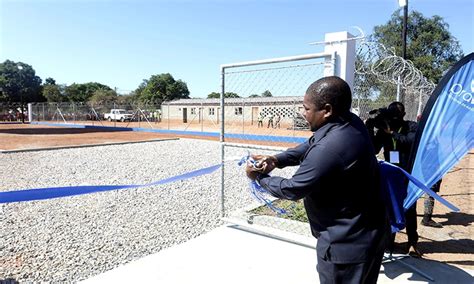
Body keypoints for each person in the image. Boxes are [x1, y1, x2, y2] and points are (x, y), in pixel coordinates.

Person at [246, 76, 389, 284]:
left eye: (306, 108)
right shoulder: (350, 122)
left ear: (327, 110)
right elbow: (310, 145)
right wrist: (277, 159)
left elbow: (293, 189)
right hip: (368, 234)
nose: (303, 114)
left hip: (346, 247)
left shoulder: (330, 148)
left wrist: (258, 177)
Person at [365, 101, 422, 257]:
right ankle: (389, 241)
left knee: (409, 208)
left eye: (396, 116)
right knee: (388, 207)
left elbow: (410, 142)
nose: (393, 119)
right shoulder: (384, 129)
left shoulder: (411, 127)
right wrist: (369, 128)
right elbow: (374, 148)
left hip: (408, 174)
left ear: (403, 115)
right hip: (390, 175)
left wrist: (392, 134)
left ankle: (412, 242)